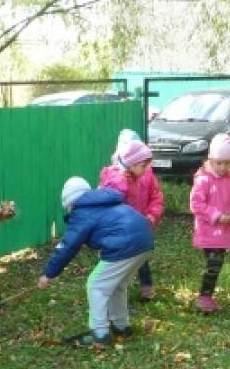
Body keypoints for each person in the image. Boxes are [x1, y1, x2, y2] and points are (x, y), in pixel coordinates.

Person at [36, 177, 154, 349]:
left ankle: (100, 334)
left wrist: (49, 274)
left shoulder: (81, 212)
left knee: (96, 285)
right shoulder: (104, 201)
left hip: (122, 245)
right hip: (145, 240)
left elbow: (68, 246)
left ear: (70, 202)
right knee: (118, 285)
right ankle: (122, 327)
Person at [99, 131, 164, 301]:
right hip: (124, 227)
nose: (142, 166)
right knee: (124, 258)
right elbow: (110, 200)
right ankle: (118, 288)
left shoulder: (146, 174)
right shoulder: (117, 178)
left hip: (142, 222)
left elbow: (156, 197)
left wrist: (152, 215)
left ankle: (146, 286)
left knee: (140, 258)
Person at [189, 134, 230, 313]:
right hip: (208, 231)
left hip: (225, 231)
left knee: (216, 264)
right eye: (218, 163)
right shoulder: (203, 180)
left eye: (226, 163)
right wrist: (216, 216)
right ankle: (204, 297)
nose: (222, 167)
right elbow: (196, 204)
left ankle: (207, 295)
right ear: (210, 160)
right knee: (214, 264)